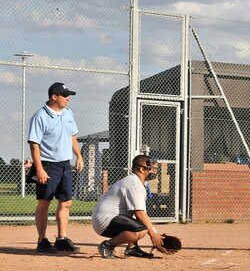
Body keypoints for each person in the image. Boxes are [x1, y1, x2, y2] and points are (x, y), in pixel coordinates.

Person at [27, 82, 83, 253]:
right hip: (48, 165)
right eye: (65, 95)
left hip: (65, 164)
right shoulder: (40, 116)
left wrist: (79, 156)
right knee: (44, 202)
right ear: (54, 97)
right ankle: (42, 241)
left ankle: (61, 239)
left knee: (66, 202)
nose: (68, 98)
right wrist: (39, 169)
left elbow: (72, 136)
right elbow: (34, 145)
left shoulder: (68, 113)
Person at [92, 155, 164, 259]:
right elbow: (140, 214)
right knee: (141, 230)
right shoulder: (134, 184)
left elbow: (141, 215)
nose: (154, 171)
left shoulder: (135, 182)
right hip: (105, 220)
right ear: (141, 169)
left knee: (139, 224)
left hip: (109, 218)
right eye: (151, 168)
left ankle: (132, 248)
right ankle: (107, 245)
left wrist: (157, 235)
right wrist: (153, 235)